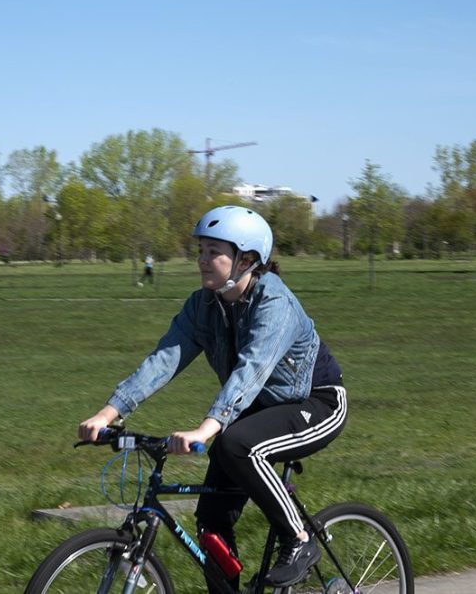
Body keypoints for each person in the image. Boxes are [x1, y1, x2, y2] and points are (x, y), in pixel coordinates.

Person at [78, 205, 347, 590]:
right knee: (211, 520)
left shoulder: (275, 303)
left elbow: (250, 372)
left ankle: (299, 539)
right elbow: (163, 361)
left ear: (247, 260)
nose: (202, 260)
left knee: (236, 443)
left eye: (214, 252)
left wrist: (206, 428)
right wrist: (108, 413)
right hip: (256, 411)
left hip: (315, 403)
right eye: (200, 250)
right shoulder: (203, 305)